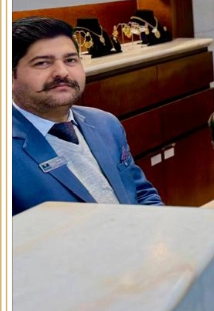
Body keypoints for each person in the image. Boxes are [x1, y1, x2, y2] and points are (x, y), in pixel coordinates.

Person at [11, 16, 163, 216]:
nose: (62, 72)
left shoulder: (105, 123)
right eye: (42, 63)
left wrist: (160, 228)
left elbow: (141, 194)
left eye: (70, 60)